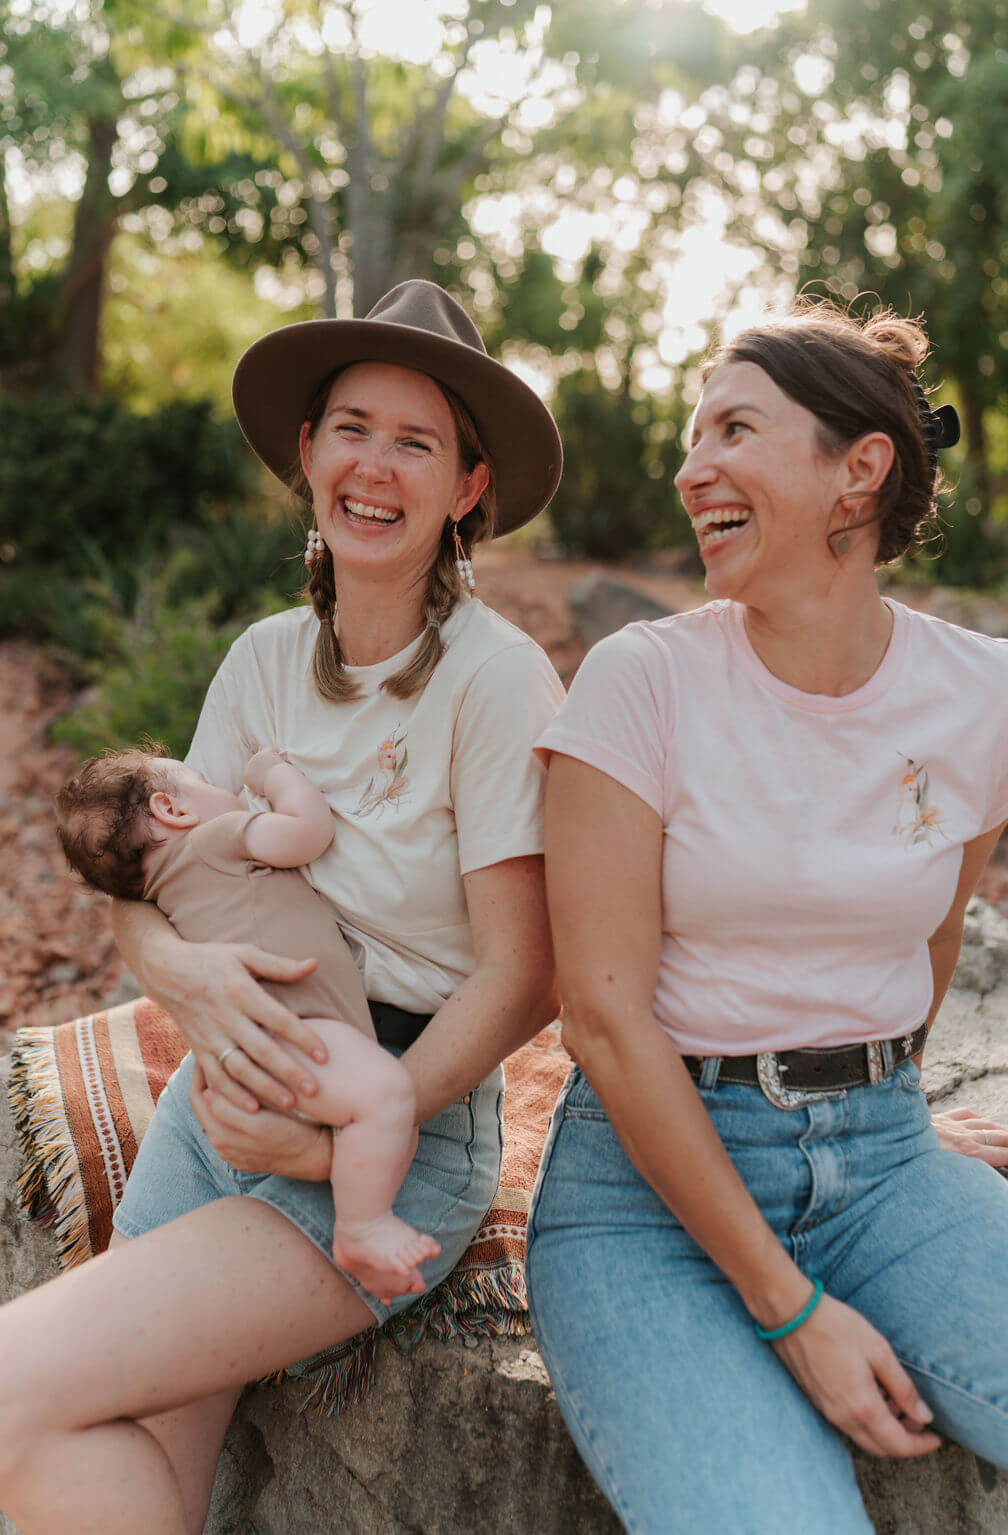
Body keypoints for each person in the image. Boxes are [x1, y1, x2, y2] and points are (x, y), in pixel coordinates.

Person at [0, 279, 563, 1535]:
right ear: (306, 455)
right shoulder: (261, 659)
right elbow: (152, 887)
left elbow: (530, 976)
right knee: (109, 1456)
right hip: (216, 1104)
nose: (375, 464)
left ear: (468, 488)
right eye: (350, 427)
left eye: (417, 441)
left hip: (388, 1134)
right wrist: (180, 982)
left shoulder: (494, 679)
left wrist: (337, 1132)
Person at [526, 301, 1008, 1533]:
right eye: (690, 437)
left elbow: (930, 927)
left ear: (859, 470)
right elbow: (598, 1011)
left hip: (889, 1163)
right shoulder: (641, 679)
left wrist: (876, 1094)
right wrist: (793, 1310)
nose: (691, 468)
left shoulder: (987, 695)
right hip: (644, 1196)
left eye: (733, 428)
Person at [55, 743, 441, 1303]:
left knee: (387, 1122)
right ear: (174, 810)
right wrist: (274, 774)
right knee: (389, 1096)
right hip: (299, 1032)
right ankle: (362, 1228)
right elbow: (309, 831)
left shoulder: (167, 894)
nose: (229, 788)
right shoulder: (216, 840)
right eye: (203, 781)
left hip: (251, 1054)